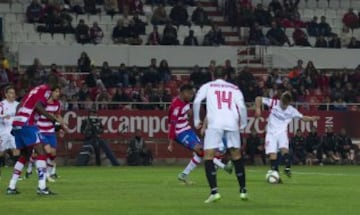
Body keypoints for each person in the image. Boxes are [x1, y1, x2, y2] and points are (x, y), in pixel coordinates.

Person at [193, 67, 248, 203]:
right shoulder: (234, 88)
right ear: (226, 76)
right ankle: (243, 190)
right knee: (236, 155)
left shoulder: (208, 86)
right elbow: (241, 106)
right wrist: (244, 122)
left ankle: (214, 192)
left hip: (214, 123)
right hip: (231, 122)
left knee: (209, 156)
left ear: (213, 75)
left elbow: (196, 102)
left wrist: (196, 120)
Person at [7, 75, 65, 195]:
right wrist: (54, 120)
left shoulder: (35, 90)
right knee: (41, 152)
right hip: (27, 122)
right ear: (53, 83)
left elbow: (20, 104)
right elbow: (38, 106)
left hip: (18, 122)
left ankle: (11, 186)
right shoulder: (45, 90)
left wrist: (18, 118)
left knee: (25, 154)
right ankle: (42, 187)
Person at [167, 84, 232, 185]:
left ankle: (183, 174)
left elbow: (187, 113)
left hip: (188, 129)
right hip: (180, 133)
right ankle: (224, 167)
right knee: (201, 150)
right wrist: (170, 142)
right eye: (190, 93)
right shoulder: (176, 106)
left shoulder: (186, 102)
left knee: (200, 152)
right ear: (184, 92)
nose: (191, 96)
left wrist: (189, 113)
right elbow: (172, 124)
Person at [254, 92, 319, 183]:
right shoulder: (274, 103)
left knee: (285, 150)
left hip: (282, 133)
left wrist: (312, 119)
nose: (283, 106)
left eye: (285, 104)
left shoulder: (291, 110)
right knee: (273, 154)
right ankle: (275, 174)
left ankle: (287, 168)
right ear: (280, 100)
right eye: (282, 103)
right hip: (271, 133)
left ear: (288, 103)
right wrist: (257, 109)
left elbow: (303, 117)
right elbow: (258, 98)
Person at [27, 87, 65, 182]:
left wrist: (61, 128)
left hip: (50, 131)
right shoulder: (42, 103)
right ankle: (45, 174)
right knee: (46, 151)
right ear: (51, 92)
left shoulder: (57, 104)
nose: (58, 93)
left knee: (53, 153)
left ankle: (32, 163)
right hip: (40, 130)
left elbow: (57, 116)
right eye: (56, 91)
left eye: (59, 92)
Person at [0, 86, 20, 178]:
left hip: (14, 131)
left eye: (14, 93)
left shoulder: (18, 105)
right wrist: (3, 117)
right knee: (1, 152)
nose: (13, 95)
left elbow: (21, 117)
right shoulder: (1, 104)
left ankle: (16, 174)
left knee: (16, 150)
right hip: (3, 131)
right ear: (6, 94)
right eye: (11, 93)